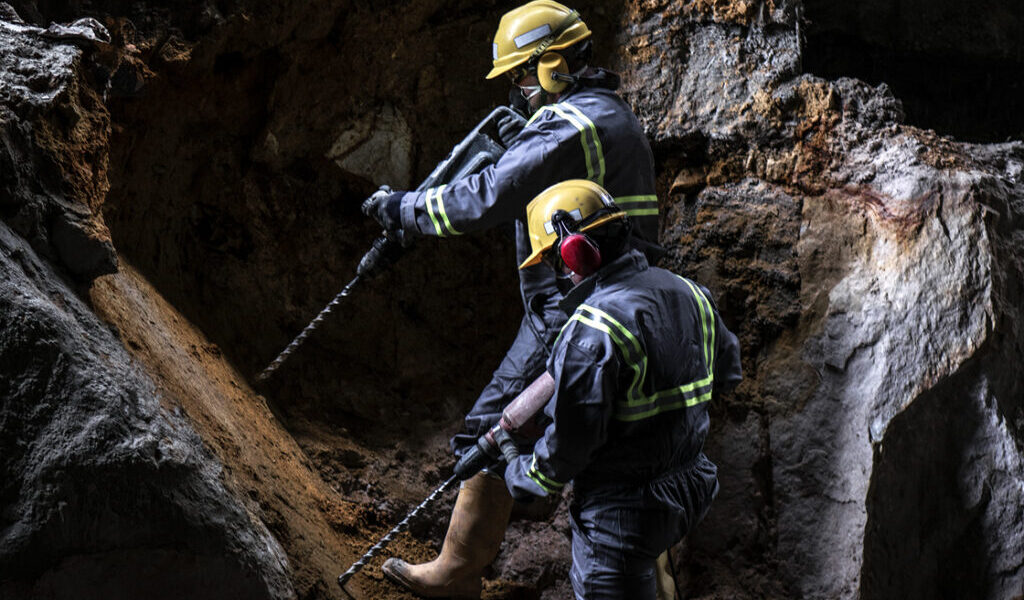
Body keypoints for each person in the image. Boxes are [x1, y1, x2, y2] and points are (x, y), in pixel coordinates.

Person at [363, 2, 663, 597]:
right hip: (612, 297)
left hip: (574, 309)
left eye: (523, 75)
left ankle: (456, 573)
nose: (519, 89)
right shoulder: (606, 115)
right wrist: (527, 139)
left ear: (552, 66)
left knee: (487, 434)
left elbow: (489, 197)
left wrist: (407, 210)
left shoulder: (572, 123)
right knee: (633, 461)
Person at [503, 180, 743, 599]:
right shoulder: (691, 293)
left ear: (574, 250)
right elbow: (726, 374)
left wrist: (520, 469)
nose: (561, 274)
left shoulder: (591, 331)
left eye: (557, 261)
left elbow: (566, 452)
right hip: (688, 488)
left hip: (622, 516)